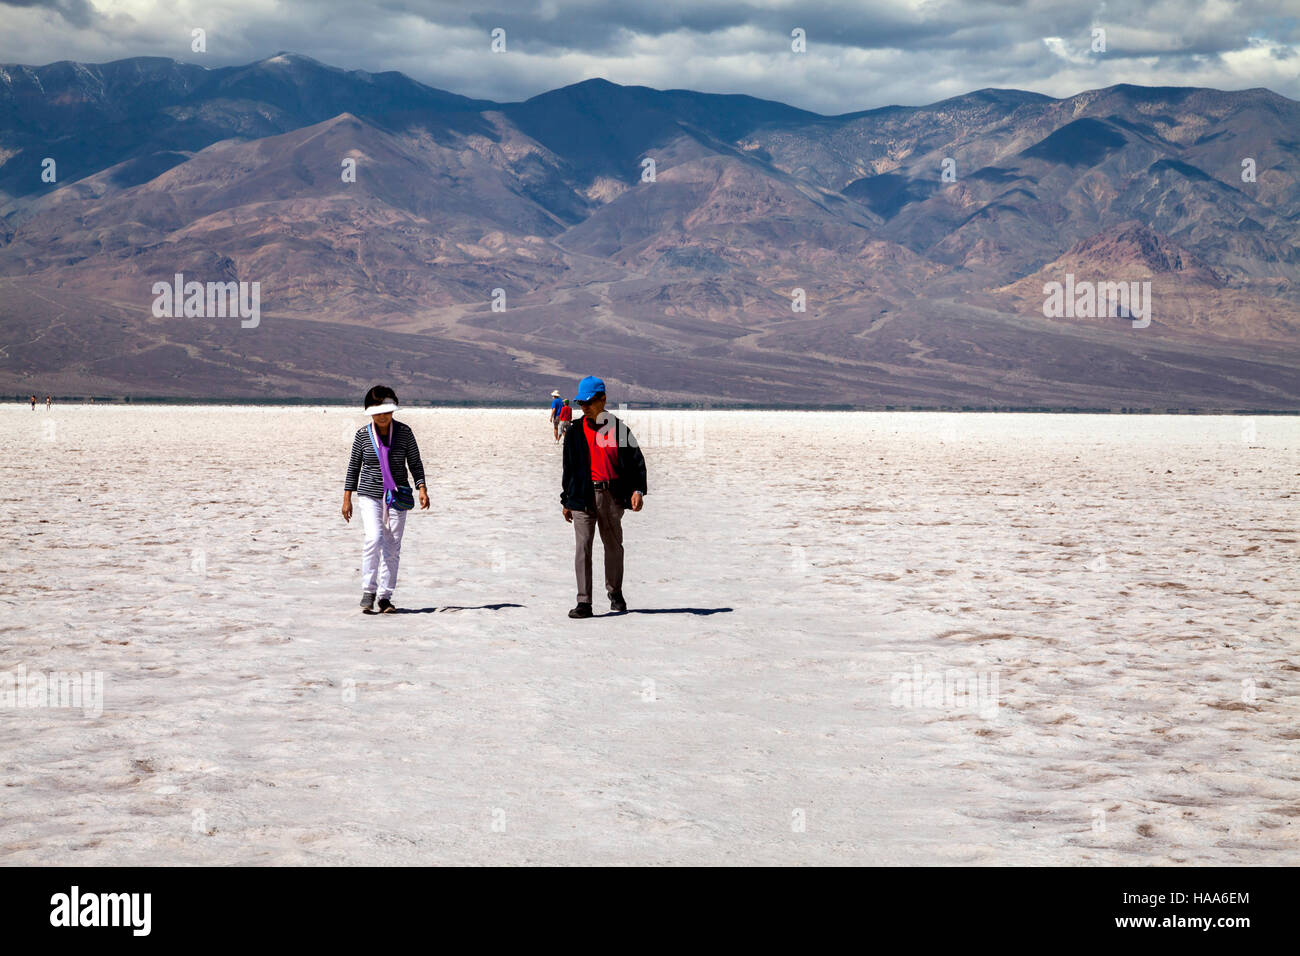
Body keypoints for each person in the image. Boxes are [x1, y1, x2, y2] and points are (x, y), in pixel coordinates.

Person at [560, 376, 647, 618]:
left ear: (603, 399)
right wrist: (566, 500)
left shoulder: (618, 429)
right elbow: (569, 468)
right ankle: (584, 602)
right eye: (581, 403)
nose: (584, 407)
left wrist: (638, 490)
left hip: (611, 497)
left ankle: (615, 594)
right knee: (583, 548)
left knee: (613, 547)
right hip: (582, 497)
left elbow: (636, 463)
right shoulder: (575, 432)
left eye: (589, 402)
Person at [342, 385, 429, 613]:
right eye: (378, 412)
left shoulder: (404, 432)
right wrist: (347, 498)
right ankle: (368, 591)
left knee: (392, 546)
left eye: (387, 411)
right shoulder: (362, 435)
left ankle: (384, 597)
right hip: (370, 495)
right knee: (374, 538)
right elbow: (354, 467)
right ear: (370, 412)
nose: (383, 416)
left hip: (397, 495)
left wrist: (422, 487)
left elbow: (415, 462)